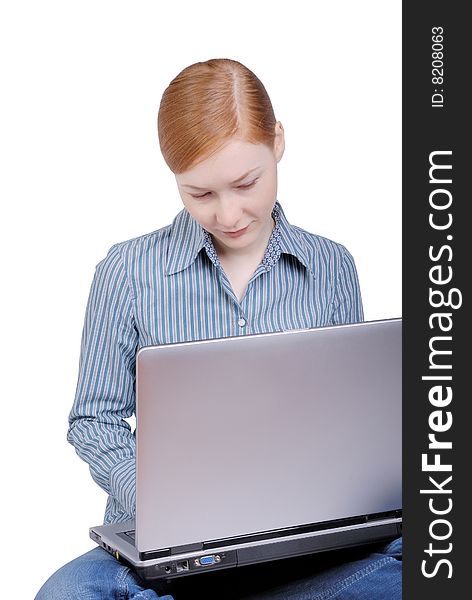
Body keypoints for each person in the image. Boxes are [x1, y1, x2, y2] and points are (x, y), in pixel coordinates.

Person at [35, 58, 401, 599]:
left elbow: (345, 422)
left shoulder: (332, 266)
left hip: (303, 542)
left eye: (246, 183)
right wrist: (160, 505)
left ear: (277, 142)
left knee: (420, 564)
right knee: (69, 594)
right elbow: (94, 419)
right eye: (199, 194)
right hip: (171, 551)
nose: (229, 213)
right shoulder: (126, 271)